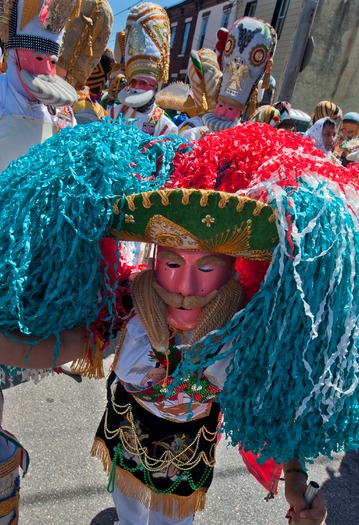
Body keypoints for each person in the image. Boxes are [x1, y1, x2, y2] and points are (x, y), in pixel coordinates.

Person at [1, 121, 358, 524]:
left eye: (206, 267)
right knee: (130, 511)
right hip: (128, 441)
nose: (186, 286)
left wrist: (296, 481)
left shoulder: (245, 327)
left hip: (188, 460)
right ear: (154, 258)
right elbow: (68, 346)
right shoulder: (129, 301)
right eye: (172, 263)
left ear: (233, 269)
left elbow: (271, 405)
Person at [0, 0, 79, 172]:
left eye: (51, 61)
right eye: (38, 59)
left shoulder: (64, 111)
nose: (45, 69)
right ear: (14, 56)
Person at [109, 3, 178, 137]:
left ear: (155, 86)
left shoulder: (165, 126)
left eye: (144, 83)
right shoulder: (114, 113)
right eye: (133, 81)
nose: (137, 87)